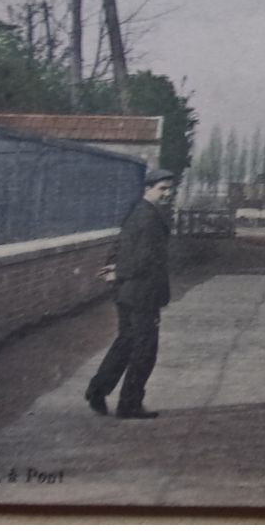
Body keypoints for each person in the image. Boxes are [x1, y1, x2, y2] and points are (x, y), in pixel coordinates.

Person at [85, 167, 176, 420]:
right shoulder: (149, 217)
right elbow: (144, 258)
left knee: (126, 341)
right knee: (145, 348)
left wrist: (114, 268)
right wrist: (121, 271)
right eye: (162, 189)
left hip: (127, 293)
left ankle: (98, 390)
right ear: (148, 189)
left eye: (170, 189)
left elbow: (120, 245)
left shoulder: (136, 212)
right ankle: (129, 404)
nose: (167, 193)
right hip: (143, 293)